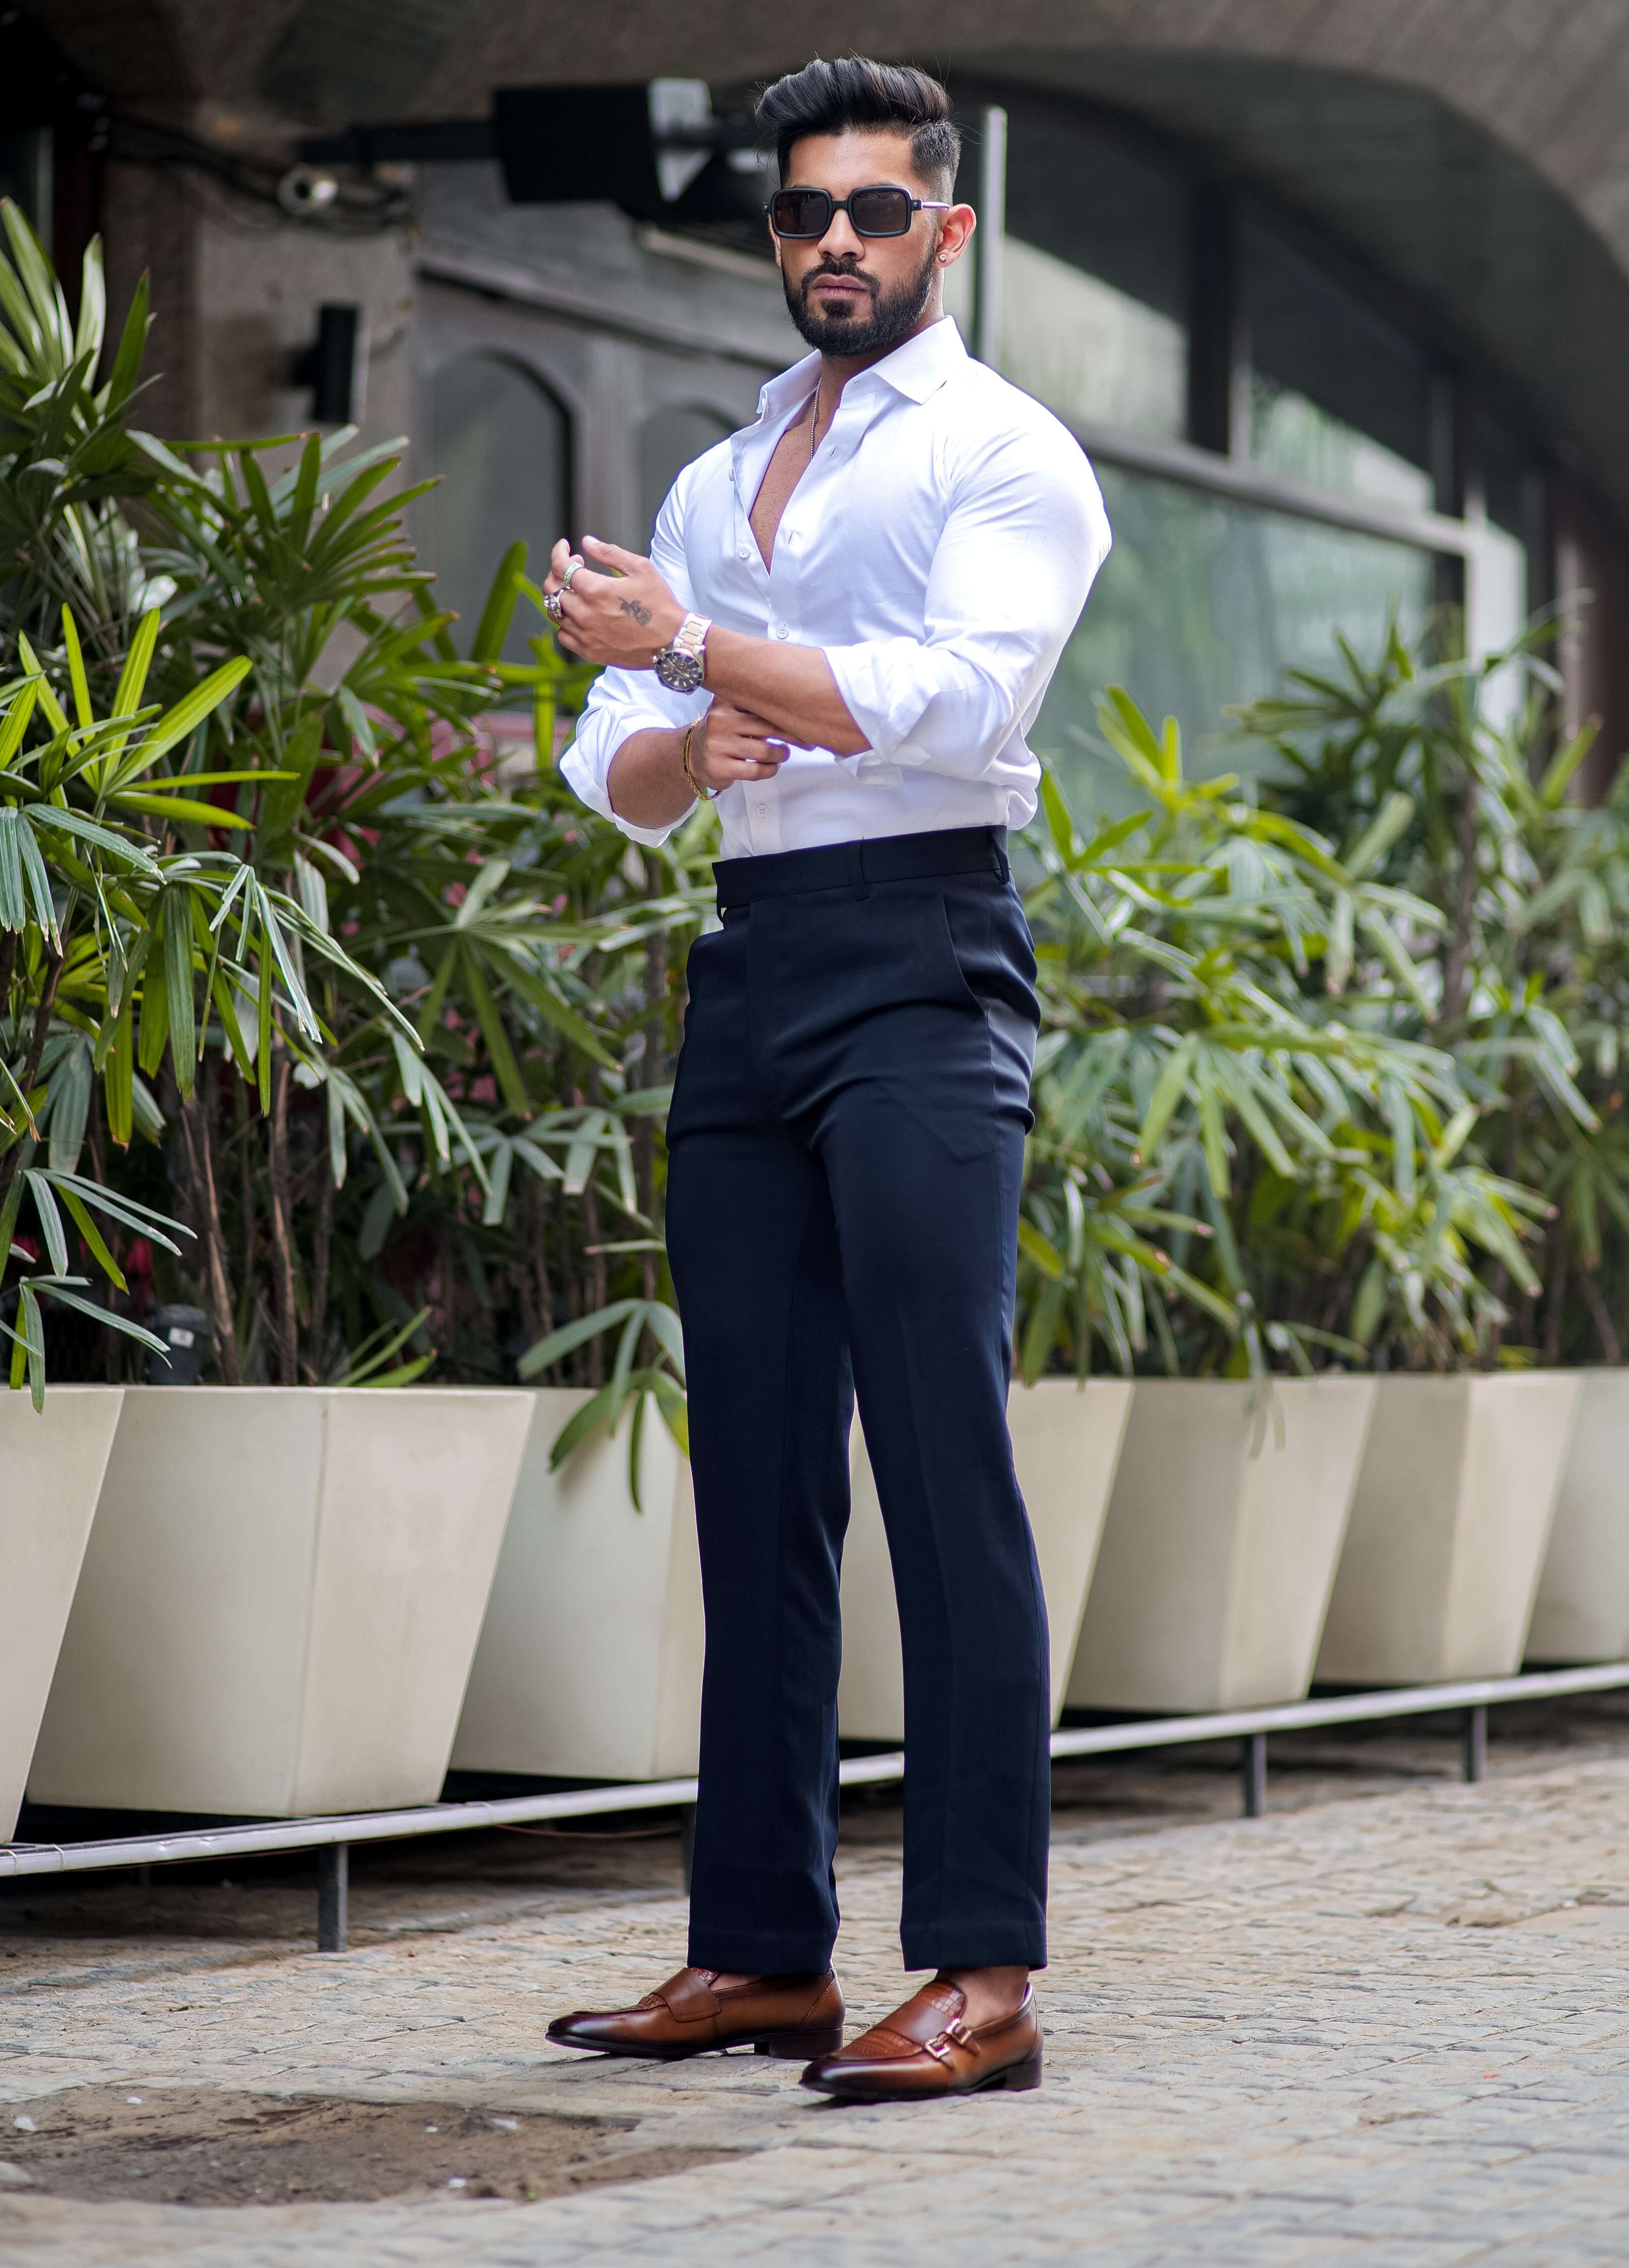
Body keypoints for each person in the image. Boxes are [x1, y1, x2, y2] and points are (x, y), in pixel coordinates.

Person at [539, 55, 1109, 2103]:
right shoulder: (719, 471)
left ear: (945, 232)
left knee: (939, 1458)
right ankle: (758, 1953)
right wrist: (681, 738)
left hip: (925, 960)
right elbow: (597, 762)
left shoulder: (1005, 455)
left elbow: (953, 702)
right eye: (803, 215)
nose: (836, 245)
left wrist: (695, 653)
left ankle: (981, 1969)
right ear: (771, 237)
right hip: (753, 967)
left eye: (877, 212)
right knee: (754, 1467)